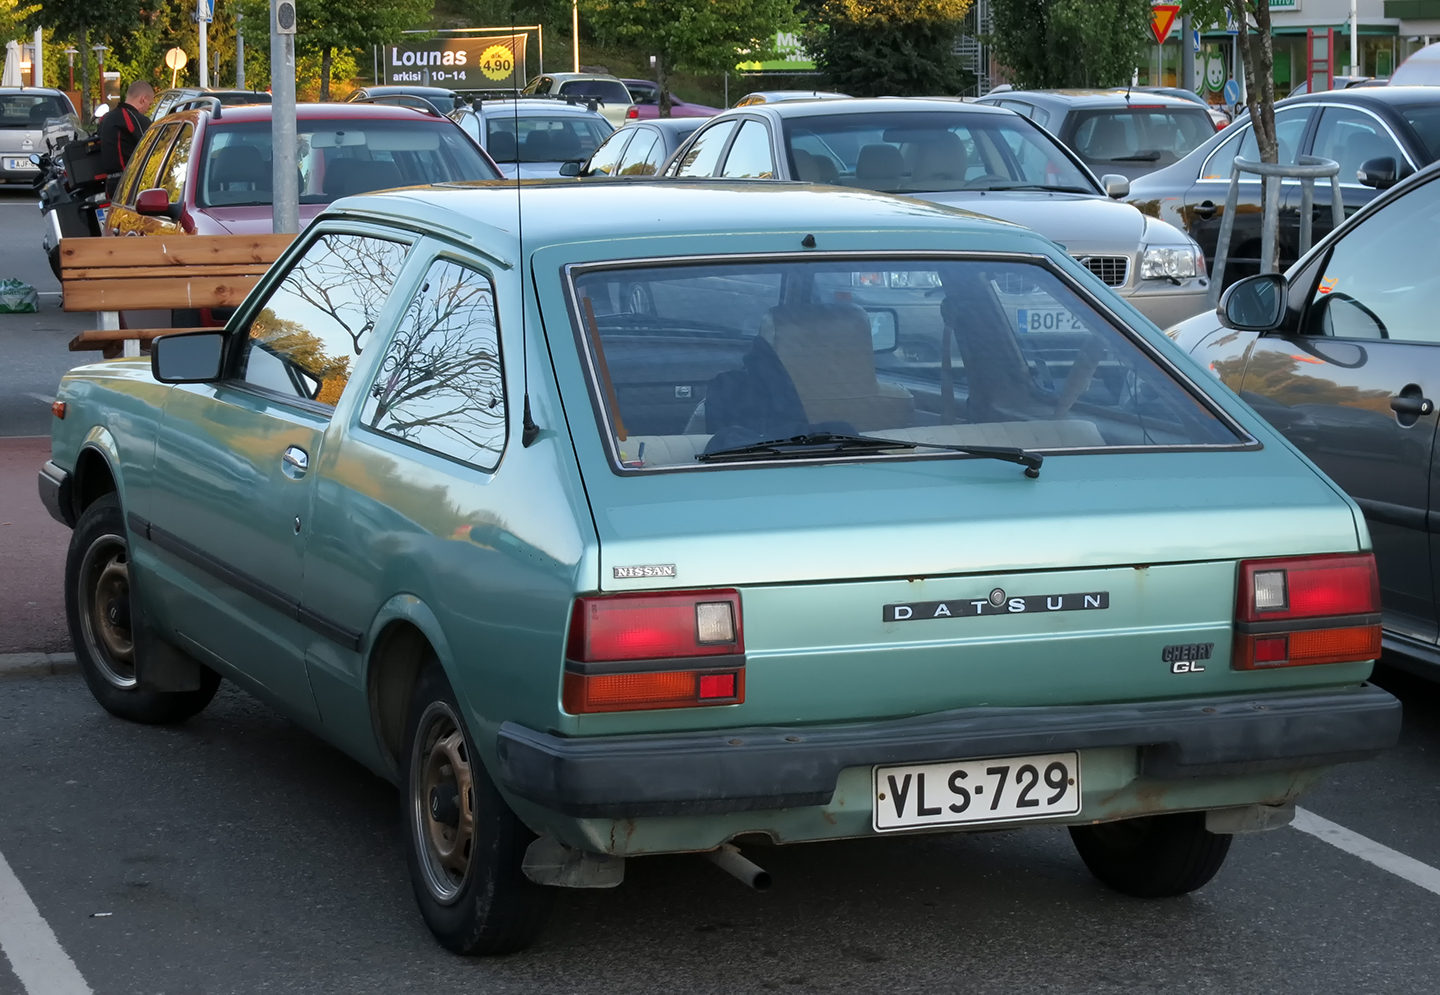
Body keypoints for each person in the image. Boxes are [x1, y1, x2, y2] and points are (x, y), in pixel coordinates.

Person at [98, 81, 155, 198]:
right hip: (129, 183)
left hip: (110, 185)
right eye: (149, 105)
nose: (148, 110)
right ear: (143, 99)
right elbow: (153, 149)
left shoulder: (106, 118)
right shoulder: (136, 119)